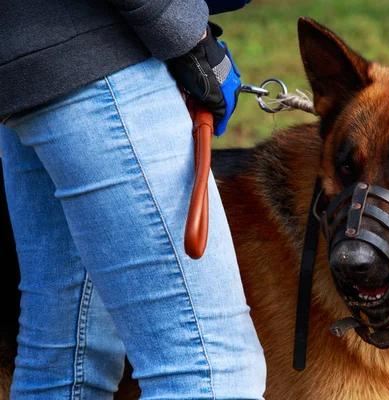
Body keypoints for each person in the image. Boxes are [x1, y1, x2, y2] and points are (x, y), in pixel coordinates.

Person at [0, 0, 266, 398]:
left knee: (67, 362)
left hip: (37, 56)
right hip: (101, 48)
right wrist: (186, 34)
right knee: (209, 370)